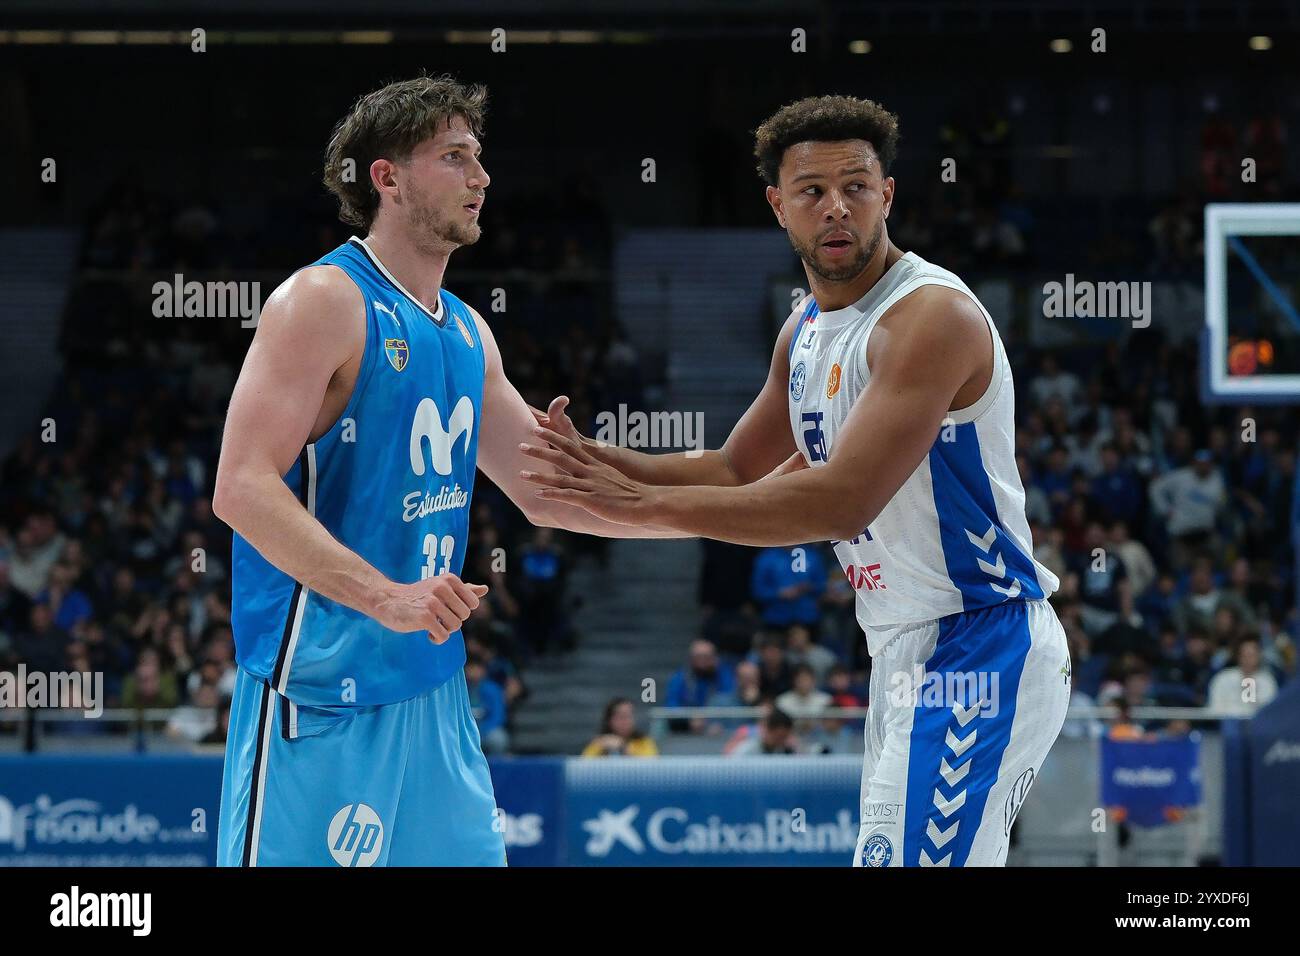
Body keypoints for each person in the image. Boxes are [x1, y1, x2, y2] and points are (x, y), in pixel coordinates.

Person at [524, 94, 1071, 867]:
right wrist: (599, 459)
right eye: (813, 191)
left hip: (982, 642)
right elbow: (731, 469)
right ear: (780, 207)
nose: (837, 207)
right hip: (899, 651)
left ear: (888, 194)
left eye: (856, 185)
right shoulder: (804, 333)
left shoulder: (929, 318)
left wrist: (647, 504)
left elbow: (841, 501)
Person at [212, 74, 677, 867]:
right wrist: (386, 595)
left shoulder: (467, 331)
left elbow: (550, 494)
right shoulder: (321, 299)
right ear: (386, 178)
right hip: (322, 688)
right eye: (455, 156)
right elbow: (240, 486)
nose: (482, 177)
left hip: (432, 687)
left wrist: (744, 507)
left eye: (479, 157)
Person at [581, 697, 659, 757]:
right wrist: (601, 748)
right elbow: (583, 767)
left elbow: (651, 767)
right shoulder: (600, 743)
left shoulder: (644, 742)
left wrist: (623, 747)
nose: (625, 721)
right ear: (609, 720)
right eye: (620, 716)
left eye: (628, 716)